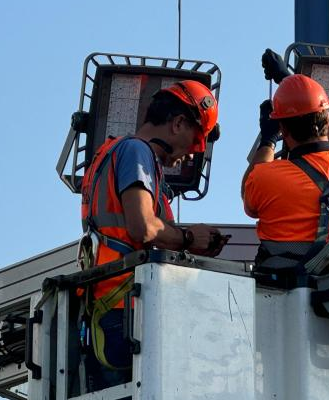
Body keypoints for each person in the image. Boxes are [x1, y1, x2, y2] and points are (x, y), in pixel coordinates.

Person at [78, 79, 225, 391]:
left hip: (113, 309)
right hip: (126, 312)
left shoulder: (116, 154)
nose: (192, 153)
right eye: (196, 140)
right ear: (178, 124)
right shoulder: (136, 151)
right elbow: (142, 227)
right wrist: (188, 239)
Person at [241, 72, 329, 280]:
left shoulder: (265, 178)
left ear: (283, 130)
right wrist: (292, 82)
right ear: (325, 116)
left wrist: (268, 140)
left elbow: (247, 197)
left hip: (285, 298)